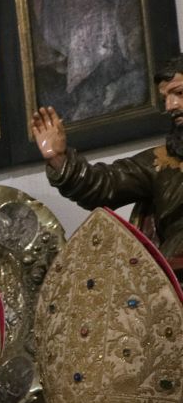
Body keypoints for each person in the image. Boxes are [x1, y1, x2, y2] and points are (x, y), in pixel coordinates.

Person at [33, 57, 183, 260]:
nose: (171, 106)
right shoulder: (161, 161)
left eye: (179, 93)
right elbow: (102, 185)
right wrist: (58, 158)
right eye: (165, 98)